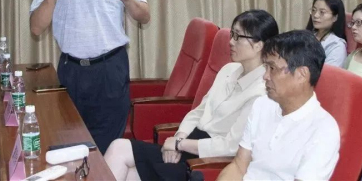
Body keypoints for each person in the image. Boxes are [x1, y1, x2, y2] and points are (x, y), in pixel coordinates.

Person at [29, 0, 150, 154]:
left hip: (110, 69)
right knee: (72, 143)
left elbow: (144, 16)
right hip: (72, 72)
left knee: (106, 149)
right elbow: (36, 28)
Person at [104, 10, 279, 181]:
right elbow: (199, 111)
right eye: (232, 34)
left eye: (238, 36)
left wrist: (180, 144)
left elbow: (231, 146)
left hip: (207, 160)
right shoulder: (228, 70)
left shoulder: (261, 92)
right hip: (189, 143)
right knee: (120, 154)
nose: (231, 42)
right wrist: (179, 138)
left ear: (259, 45)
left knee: (123, 160)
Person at [217, 30, 340, 181]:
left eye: (272, 68)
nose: (265, 76)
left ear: (301, 75)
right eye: (266, 68)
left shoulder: (323, 130)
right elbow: (238, 166)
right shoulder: (262, 104)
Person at [305, 0, 347, 67]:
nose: (315, 15)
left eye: (322, 12)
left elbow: (329, 73)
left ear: (335, 17)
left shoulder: (336, 45)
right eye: (314, 10)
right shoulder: (307, 36)